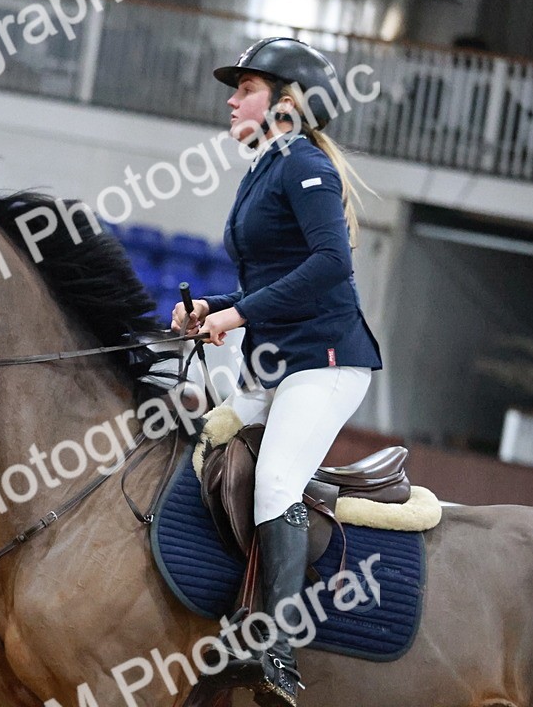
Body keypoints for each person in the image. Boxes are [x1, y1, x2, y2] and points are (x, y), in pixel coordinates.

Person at [172, 37, 382, 706]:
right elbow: (273, 276)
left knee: (276, 481)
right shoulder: (265, 167)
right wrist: (215, 307)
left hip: (326, 363)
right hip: (279, 365)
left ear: (287, 101)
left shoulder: (305, 164)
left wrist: (237, 318)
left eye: (247, 88)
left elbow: (329, 265)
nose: (233, 99)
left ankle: (277, 650)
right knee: (205, 442)